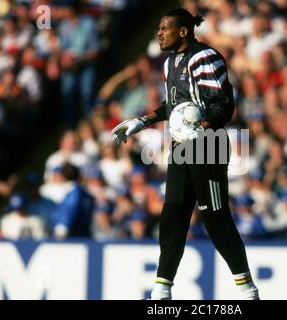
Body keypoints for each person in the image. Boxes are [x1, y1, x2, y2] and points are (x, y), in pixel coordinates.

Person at [111, 8, 259, 300]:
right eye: (158, 28)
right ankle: (162, 288)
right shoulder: (170, 63)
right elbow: (174, 106)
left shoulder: (205, 57)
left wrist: (202, 129)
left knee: (216, 218)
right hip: (181, 146)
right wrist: (142, 120)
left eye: (165, 28)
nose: (159, 33)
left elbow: (224, 104)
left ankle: (247, 290)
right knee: (173, 212)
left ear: (183, 31)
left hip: (208, 145)